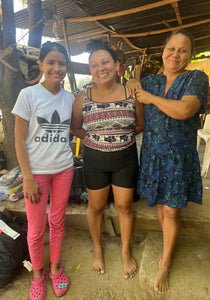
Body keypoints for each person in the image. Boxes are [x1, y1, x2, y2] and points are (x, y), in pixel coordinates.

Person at [127, 29, 209, 294]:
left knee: (173, 210)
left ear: (190, 55)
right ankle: (168, 244)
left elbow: (184, 110)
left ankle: (166, 262)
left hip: (178, 156)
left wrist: (149, 97)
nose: (175, 54)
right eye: (171, 48)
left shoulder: (196, 78)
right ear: (163, 51)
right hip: (152, 153)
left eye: (182, 50)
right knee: (161, 205)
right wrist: (132, 83)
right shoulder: (150, 81)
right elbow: (138, 113)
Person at [71, 39, 143, 279]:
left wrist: (119, 138)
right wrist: (97, 139)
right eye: (94, 64)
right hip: (95, 160)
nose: (101, 68)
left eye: (105, 62)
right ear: (90, 69)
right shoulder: (84, 95)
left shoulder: (132, 92)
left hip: (125, 159)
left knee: (125, 206)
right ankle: (98, 249)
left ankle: (125, 251)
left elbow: (140, 125)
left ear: (116, 65)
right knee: (95, 206)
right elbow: (75, 127)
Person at [12, 41, 75, 300]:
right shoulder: (28, 96)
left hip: (64, 170)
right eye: (51, 62)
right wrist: (27, 177)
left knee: (57, 221)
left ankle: (55, 267)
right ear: (41, 65)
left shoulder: (70, 98)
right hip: (35, 174)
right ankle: (37, 274)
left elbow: (74, 130)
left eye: (61, 63)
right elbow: (19, 139)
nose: (57, 68)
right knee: (36, 228)